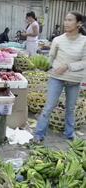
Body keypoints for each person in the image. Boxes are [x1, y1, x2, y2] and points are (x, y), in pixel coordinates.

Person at [34, 11, 86, 143]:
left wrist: (67, 66)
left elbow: (84, 62)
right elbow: (50, 58)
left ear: (79, 23)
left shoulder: (84, 41)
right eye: (65, 20)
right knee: (49, 107)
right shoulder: (58, 40)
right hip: (56, 78)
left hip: (74, 80)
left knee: (70, 108)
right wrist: (46, 66)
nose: (66, 23)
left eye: (70, 20)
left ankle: (69, 133)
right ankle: (39, 135)